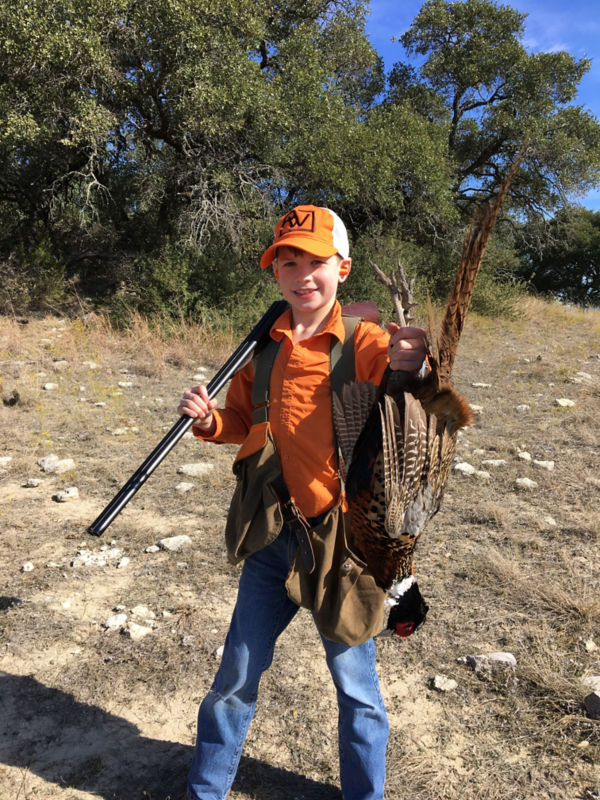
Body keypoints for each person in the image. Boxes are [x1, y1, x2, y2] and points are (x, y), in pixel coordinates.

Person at [178, 205, 428, 800]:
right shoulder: (265, 348)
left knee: (357, 691)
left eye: (315, 261)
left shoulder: (366, 342)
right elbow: (243, 420)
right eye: (288, 262)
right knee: (233, 679)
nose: (302, 274)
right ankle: (205, 792)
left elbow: (412, 394)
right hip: (273, 539)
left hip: (343, 546)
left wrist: (415, 363)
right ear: (276, 274)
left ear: (343, 268)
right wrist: (210, 421)